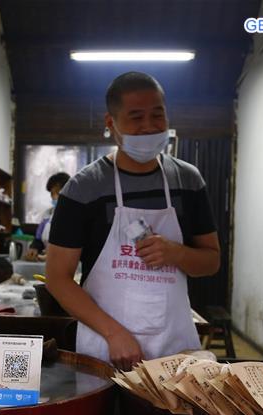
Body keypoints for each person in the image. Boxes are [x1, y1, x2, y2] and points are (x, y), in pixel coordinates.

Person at [45, 72, 220, 371]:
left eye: (158, 115)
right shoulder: (84, 188)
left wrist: (177, 253)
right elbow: (57, 278)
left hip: (174, 349)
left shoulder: (187, 180)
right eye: (136, 117)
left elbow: (211, 261)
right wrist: (114, 333)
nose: (149, 126)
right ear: (111, 123)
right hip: (105, 348)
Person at [24, 171, 70, 261]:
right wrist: (34, 248)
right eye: (52, 193)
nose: (54, 197)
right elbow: (39, 239)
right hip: (47, 261)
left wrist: (55, 255)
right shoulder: (47, 214)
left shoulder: (74, 215)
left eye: (58, 192)